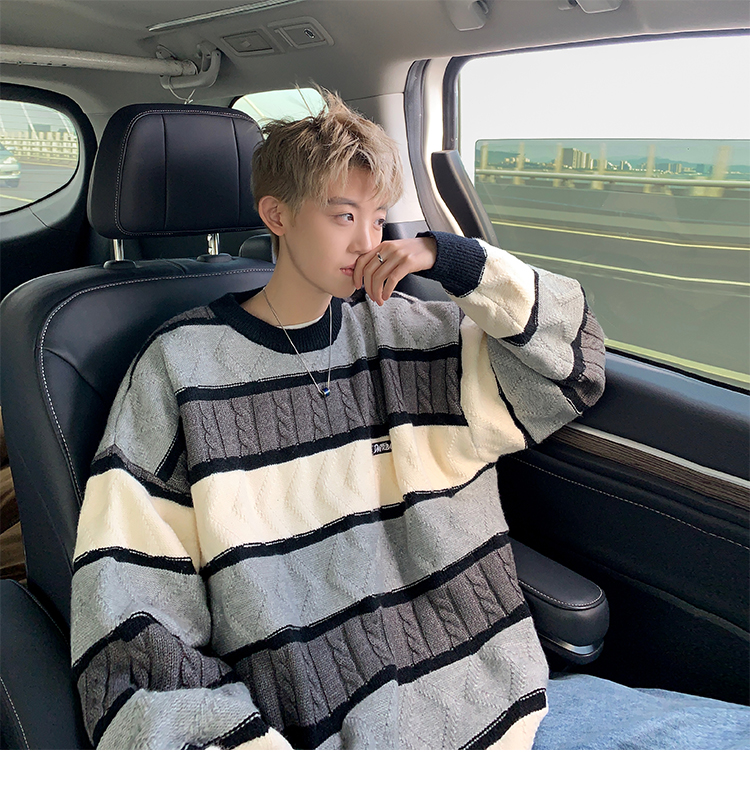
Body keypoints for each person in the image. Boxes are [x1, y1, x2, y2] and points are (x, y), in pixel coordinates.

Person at [70, 92, 748, 750]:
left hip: (507, 707)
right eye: (343, 216)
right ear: (276, 214)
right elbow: (133, 614)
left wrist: (453, 259)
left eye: (378, 218)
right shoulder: (180, 367)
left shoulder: (415, 334)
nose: (368, 242)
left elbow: (576, 361)